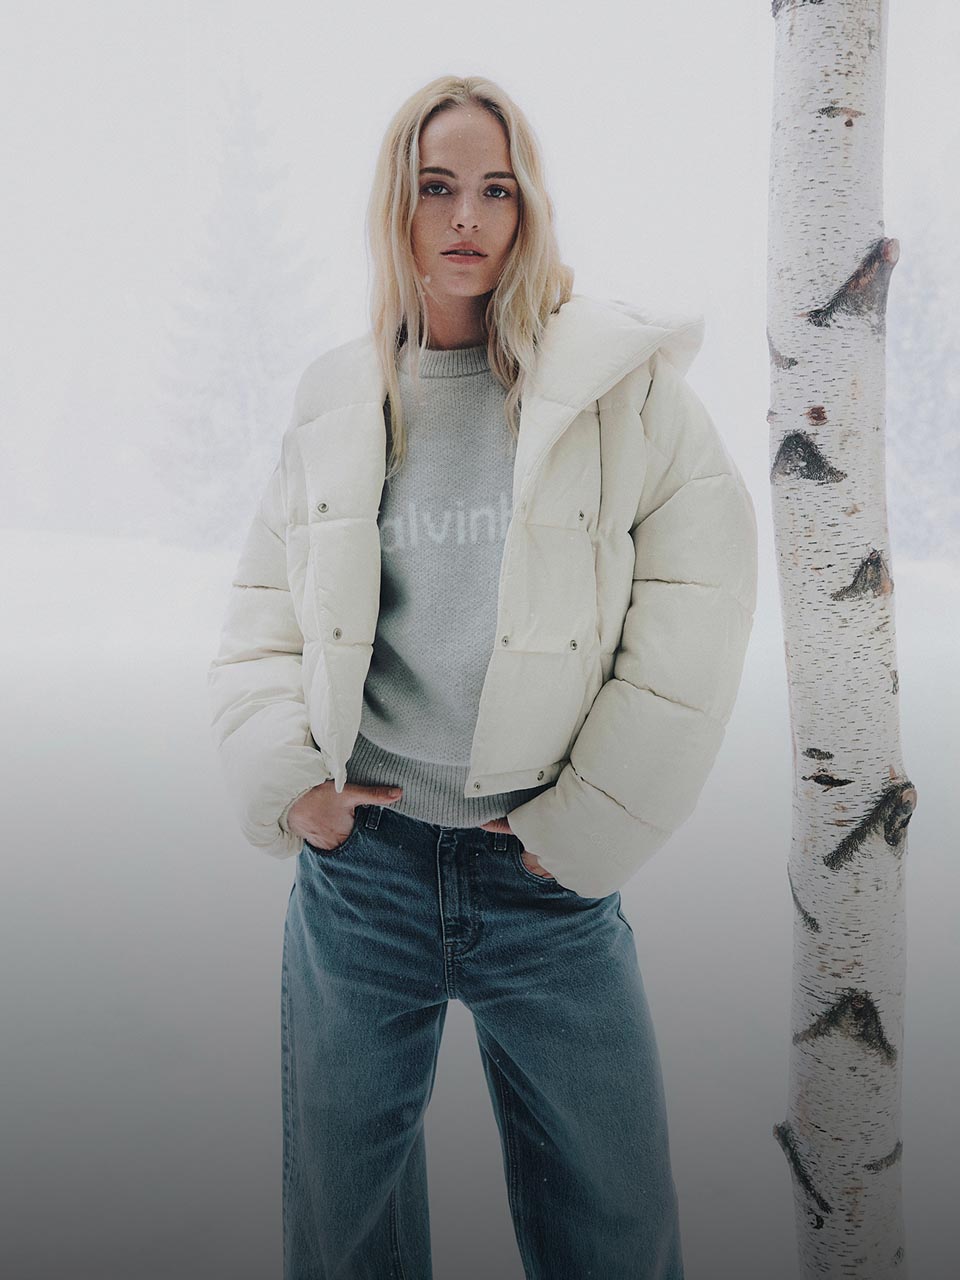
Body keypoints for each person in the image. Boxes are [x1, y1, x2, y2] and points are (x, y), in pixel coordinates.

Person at [207, 74, 757, 1280]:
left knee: (614, 1228)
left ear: (527, 210)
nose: (467, 218)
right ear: (395, 210)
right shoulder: (335, 399)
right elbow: (260, 621)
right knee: (344, 1230)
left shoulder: (622, 391)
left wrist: (586, 824)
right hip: (368, 878)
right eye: (437, 188)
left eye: (495, 190)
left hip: (544, 877)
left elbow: (698, 614)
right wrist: (297, 786)